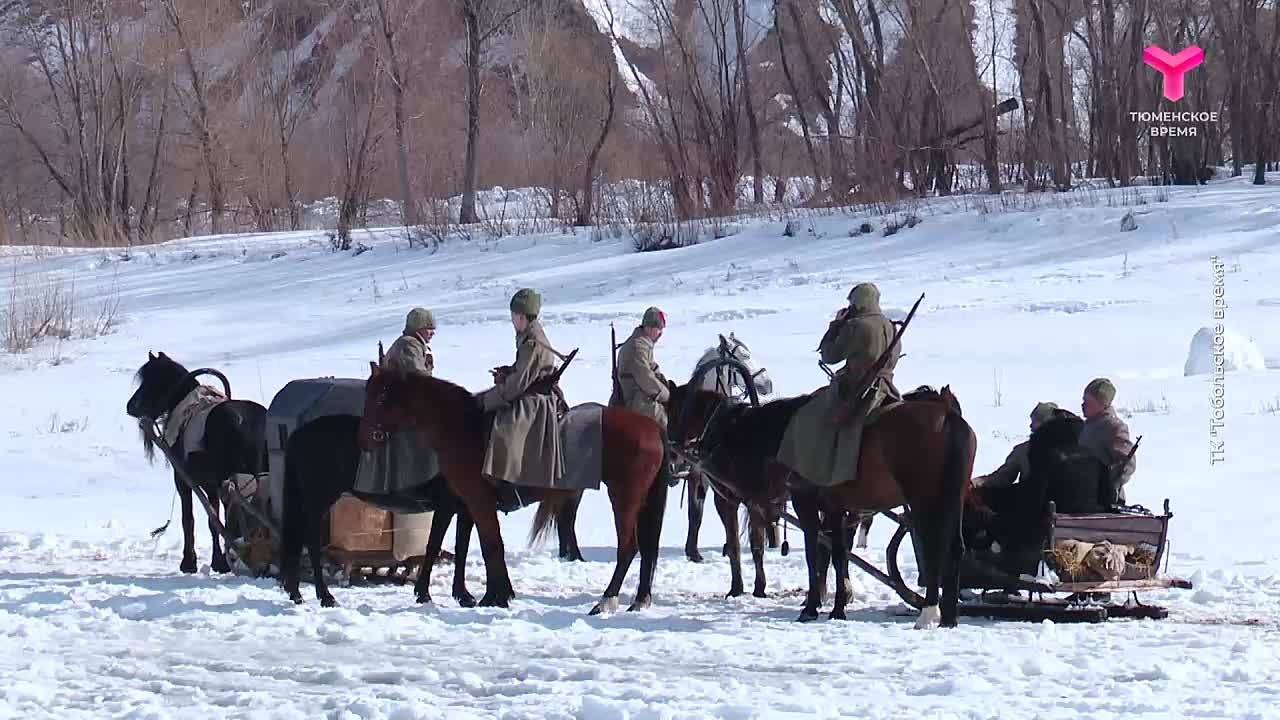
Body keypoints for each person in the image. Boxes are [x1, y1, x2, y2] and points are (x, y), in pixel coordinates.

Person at [776, 281, 900, 488]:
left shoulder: (857, 326)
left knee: (807, 416)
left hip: (855, 389)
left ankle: (817, 474)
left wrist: (836, 326)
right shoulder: (890, 325)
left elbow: (829, 355)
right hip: (886, 388)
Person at [353, 308, 440, 543]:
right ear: (417, 328)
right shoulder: (409, 345)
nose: (432, 333)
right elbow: (418, 378)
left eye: (432, 329)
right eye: (428, 328)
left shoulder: (414, 344)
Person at [477, 289, 565, 501]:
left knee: (505, 427)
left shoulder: (532, 341)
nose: (512, 322)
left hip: (535, 400)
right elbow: (524, 370)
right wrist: (508, 370)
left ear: (522, 316)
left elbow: (518, 384)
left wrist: (486, 400)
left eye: (513, 317)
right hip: (531, 390)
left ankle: (509, 483)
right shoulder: (529, 335)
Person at [1077, 377, 1136, 506]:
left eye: (1088, 401)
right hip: (1083, 496)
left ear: (1102, 403)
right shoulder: (1086, 426)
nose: (1083, 405)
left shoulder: (1113, 427)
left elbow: (1127, 463)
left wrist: (1109, 484)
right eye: (1083, 400)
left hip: (1105, 501)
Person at [616, 306, 670, 430]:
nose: (661, 333)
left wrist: (664, 383)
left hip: (640, 395)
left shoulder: (643, 344)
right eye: (659, 329)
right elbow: (646, 379)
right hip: (635, 399)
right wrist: (666, 395)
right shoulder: (638, 347)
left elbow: (652, 368)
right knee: (664, 419)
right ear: (649, 328)